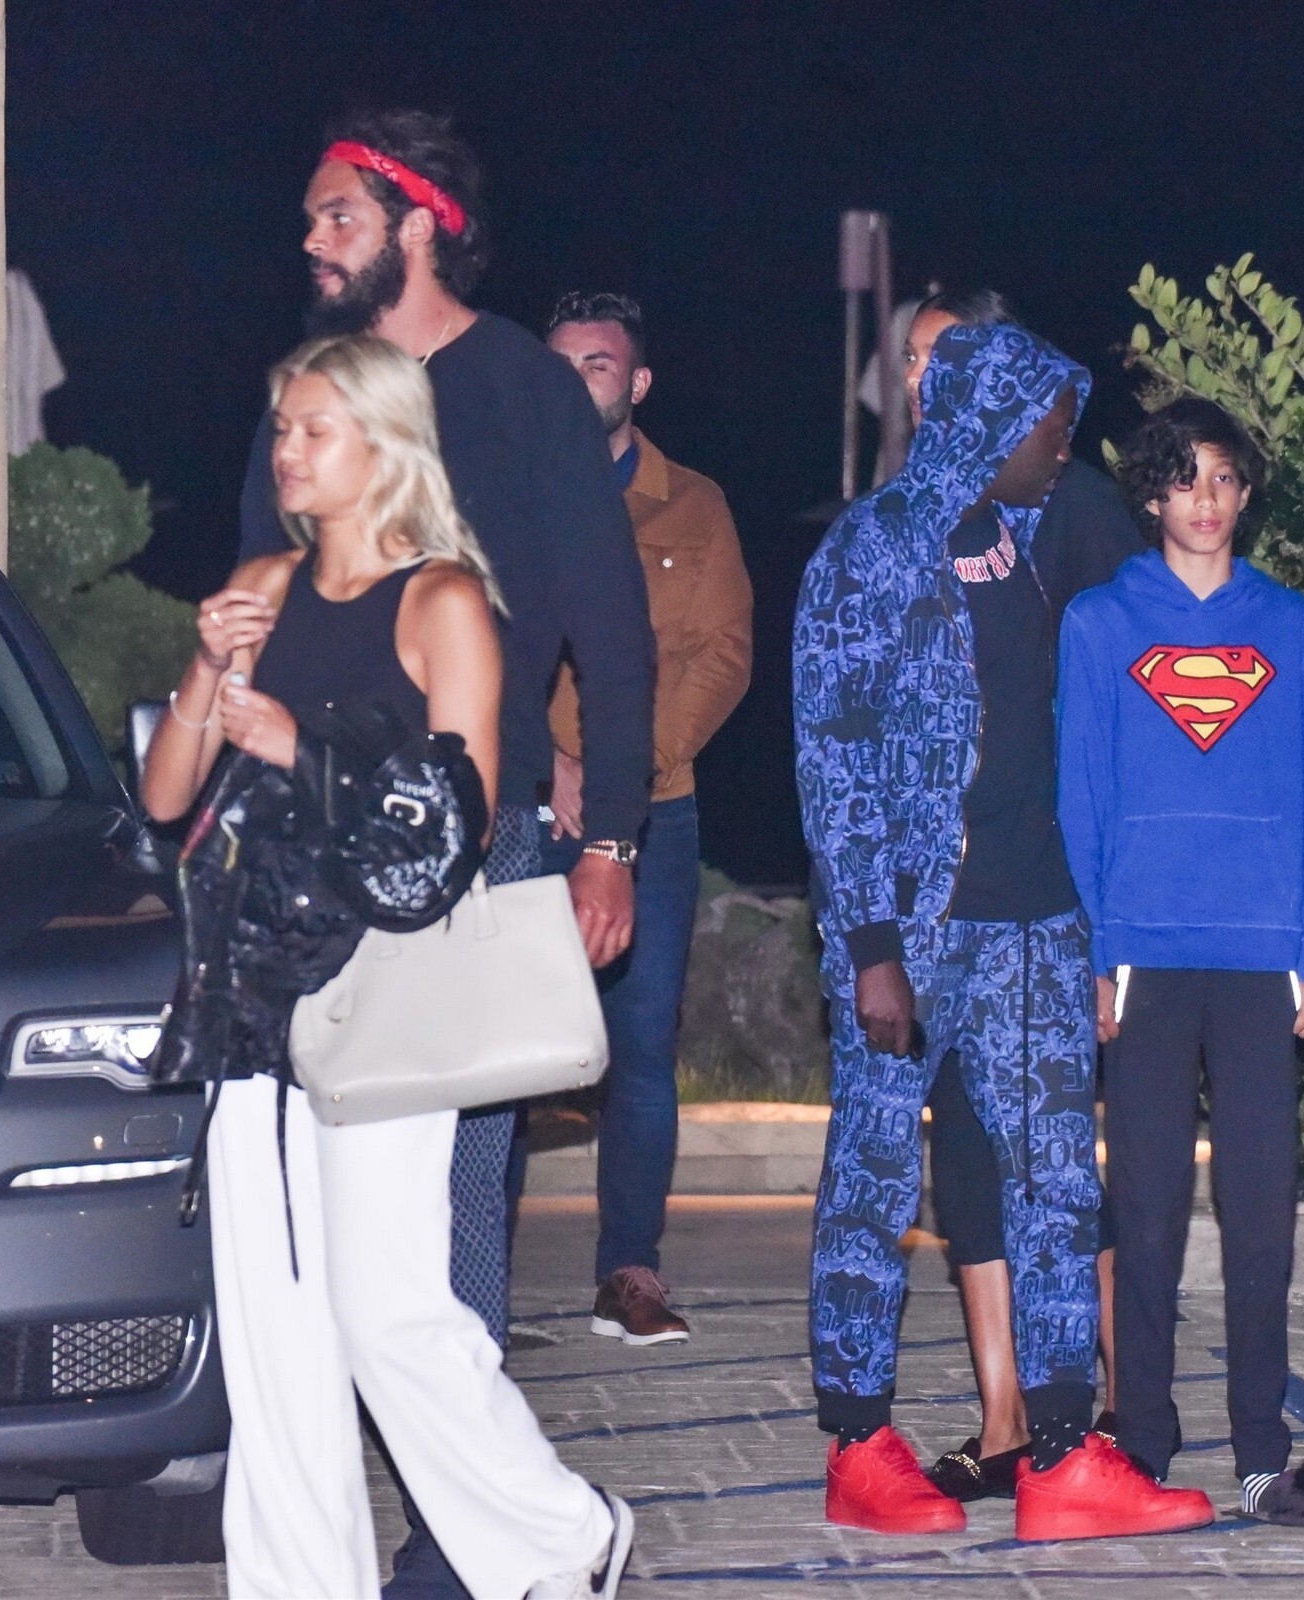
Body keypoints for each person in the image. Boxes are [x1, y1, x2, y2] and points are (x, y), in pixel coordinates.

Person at [141, 333, 636, 1599]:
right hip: (256, 990)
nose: (287, 450)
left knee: (388, 1312)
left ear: (384, 442)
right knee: (274, 1338)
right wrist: (207, 663)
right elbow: (167, 795)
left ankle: (562, 1534)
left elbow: (458, 821)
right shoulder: (261, 583)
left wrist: (294, 742)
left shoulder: (444, 601)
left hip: (384, 994)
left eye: (315, 428)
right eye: (282, 427)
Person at [231, 109, 652, 1599]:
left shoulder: (524, 388)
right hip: (297, 866)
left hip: (471, 843)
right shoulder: (312, 402)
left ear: (418, 225)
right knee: (310, 1251)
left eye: (338, 215)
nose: (312, 239)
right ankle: (401, 1539)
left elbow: (611, 629)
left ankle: (467, 1542)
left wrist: (611, 840)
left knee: (445, 1213)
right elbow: (262, 608)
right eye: (310, 217)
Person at [793, 321, 1213, 1542]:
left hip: (1037, 919)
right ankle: (857, 1443)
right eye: (1050, 426)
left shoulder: (1017, 536)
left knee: (1056, 1189)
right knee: (874, 1178)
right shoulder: (873, 547)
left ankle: (1064, 1455)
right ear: (986, 420)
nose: (1063, 447)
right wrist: (869, 944)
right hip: (914, 928)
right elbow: (834, 752)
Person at [1055, 397, 1304, 1528]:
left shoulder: (1290, 626)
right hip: (1143, 954)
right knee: (1144, 1214)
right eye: (1184, 479)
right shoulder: (1100, 622)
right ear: (1151, 495)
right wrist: (1093, 950)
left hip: (1259, 959)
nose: (1206, 501)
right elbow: (1080, 797)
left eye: (1224, 479)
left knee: (1261, 1219)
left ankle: (1259, 1453)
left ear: (1245, 492)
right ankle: (1141, 1441)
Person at [893, 289, 1144, 1503]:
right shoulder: (911, 515)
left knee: (1059, 1162)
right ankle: (1002, 1421)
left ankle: (1107, 1411)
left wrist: (1111, 922)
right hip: (947, 900)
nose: (921, 377)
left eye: (944, 355)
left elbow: (1125, 719)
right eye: (909, 358)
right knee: (968, 1158)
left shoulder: (1077, 506)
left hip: (1053, 889)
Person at [542, 290, 753, 1346]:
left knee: (640, 1046)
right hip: (528, 810)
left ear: (637, 382)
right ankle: (467, 1291)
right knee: (501, 1053)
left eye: (597, 364)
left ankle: (630, 1271)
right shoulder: (502, 495)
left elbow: (724, 655)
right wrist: (545, 765)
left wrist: (621, 776)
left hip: (652, 814)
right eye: (562, 363)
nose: (578, 381)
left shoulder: (694, 505)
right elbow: (462, 641)